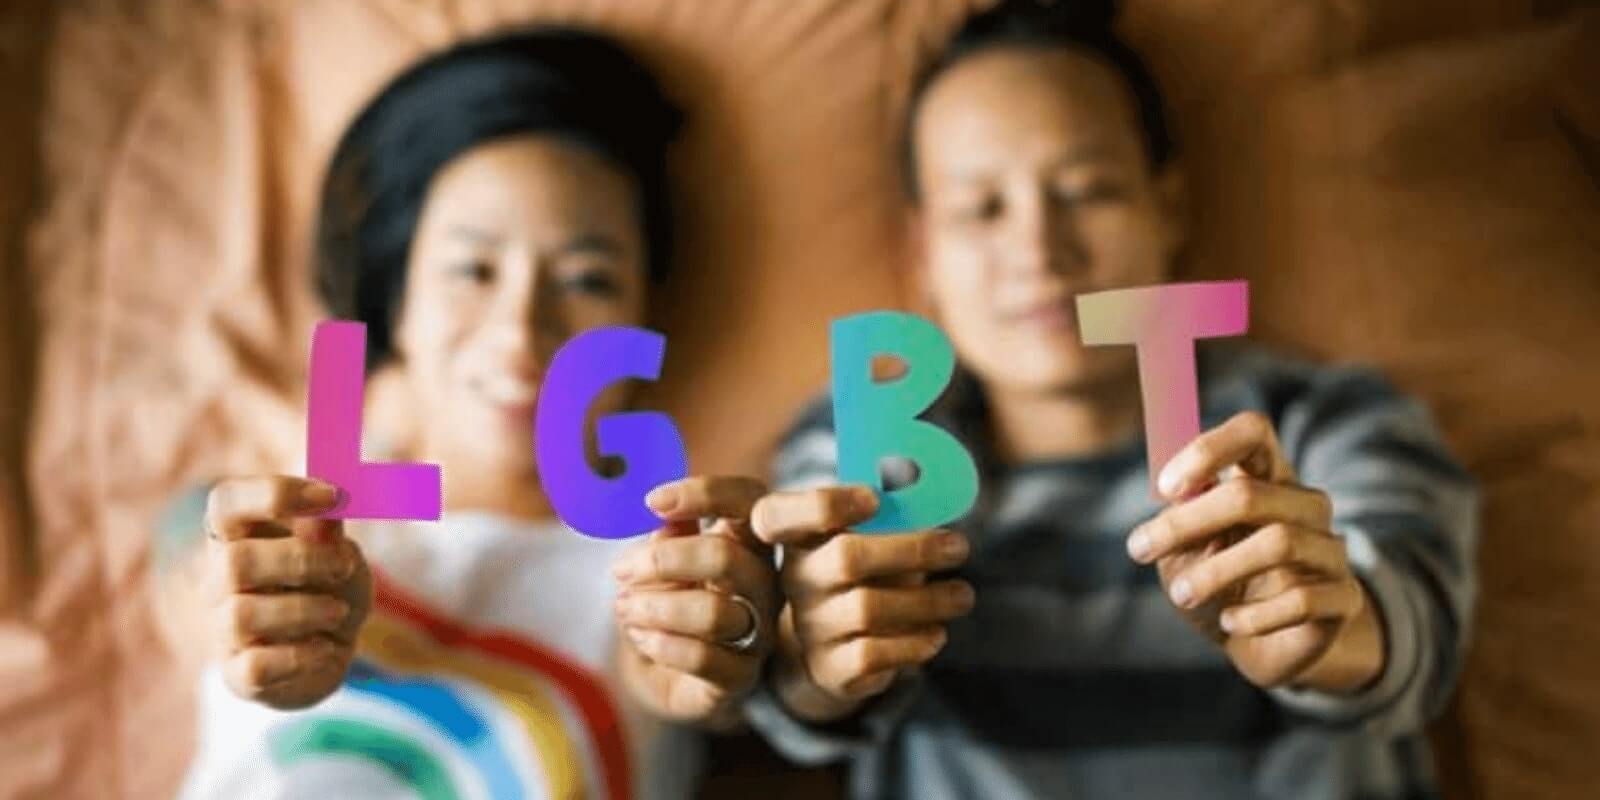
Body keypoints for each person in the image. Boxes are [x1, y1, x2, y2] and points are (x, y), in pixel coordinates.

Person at [743, 2, 1480, 799]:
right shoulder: (869, 441)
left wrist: (1333, 626)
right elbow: (804, 682)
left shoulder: (1324, 419)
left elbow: (1419, 625)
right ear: (922, 256)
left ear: (1169, 206)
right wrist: (811, 655)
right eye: (982, 209)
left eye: (1087, 190)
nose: (1038, 249)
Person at [151, 27, 778, 800]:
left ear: (645, 320)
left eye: (588, 279)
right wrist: (216, 590)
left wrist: (713, 657)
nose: (521, 330)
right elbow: (185, 549)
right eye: (472, 268)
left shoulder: (669, 571)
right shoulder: (286, 520)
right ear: (398, 302)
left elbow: (719, 675)